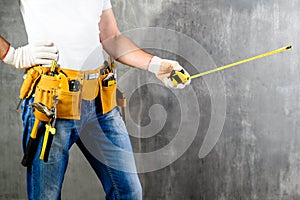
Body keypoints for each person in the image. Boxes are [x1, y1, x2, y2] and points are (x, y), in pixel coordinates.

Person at [1, 0, 190, 199]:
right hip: (52, 106)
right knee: (45, 196)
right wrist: (12, 55)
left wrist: (156, 65)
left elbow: (111, 37)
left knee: (128, 193)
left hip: (100, 104)